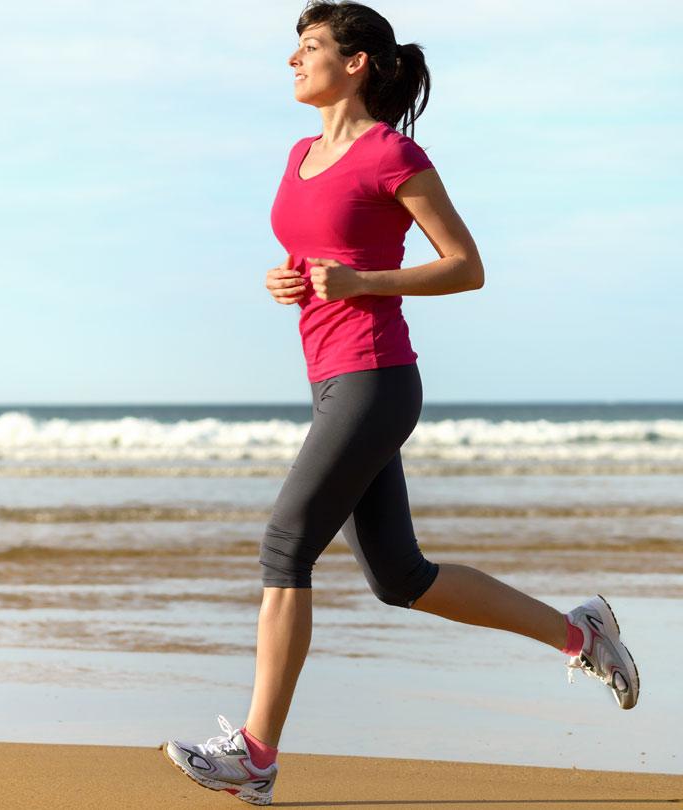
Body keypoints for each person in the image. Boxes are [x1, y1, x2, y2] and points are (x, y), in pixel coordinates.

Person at [161, 2, 640, 804]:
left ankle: (256, 755)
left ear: (356, 64)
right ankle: (579, 632)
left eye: (309, 47)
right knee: (400, 577)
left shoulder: (393, 153)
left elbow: (465, 265)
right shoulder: (299, 154)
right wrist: (286, 279)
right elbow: (315, 255)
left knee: (285, 547)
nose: (293, 60)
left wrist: (363, 282)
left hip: (376, 376)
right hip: (329, 379)